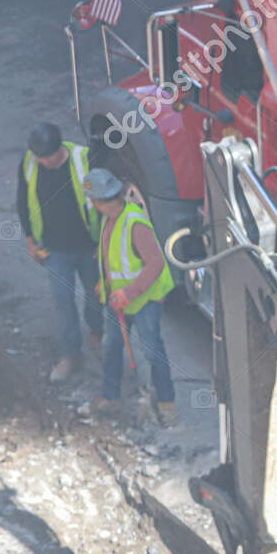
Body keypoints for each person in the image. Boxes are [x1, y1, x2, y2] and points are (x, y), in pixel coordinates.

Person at [84, 167, 177, 424]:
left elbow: (156, 264)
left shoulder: (135, 224)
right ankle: (111, 396)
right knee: (111, 346)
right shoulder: (109, 219)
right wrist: (105, 284)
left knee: (153, 351)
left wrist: (129, 292)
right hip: (118, 300)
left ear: (99, 201)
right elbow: (111, 257)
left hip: (145, 300)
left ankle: (166, 404)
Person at [16, 122, 102, 383]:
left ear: (60, 148)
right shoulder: (29, 164)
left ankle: (97, 334)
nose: (45, 163)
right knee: (63, 303)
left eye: (50, 158)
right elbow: (23, 202)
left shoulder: (83, 159)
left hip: (88, 247)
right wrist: (30, 241)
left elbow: (104, 203)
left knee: (96, 297)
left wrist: (105, 244)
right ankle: (71, 355)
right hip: (54, 251)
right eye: (41, 158)